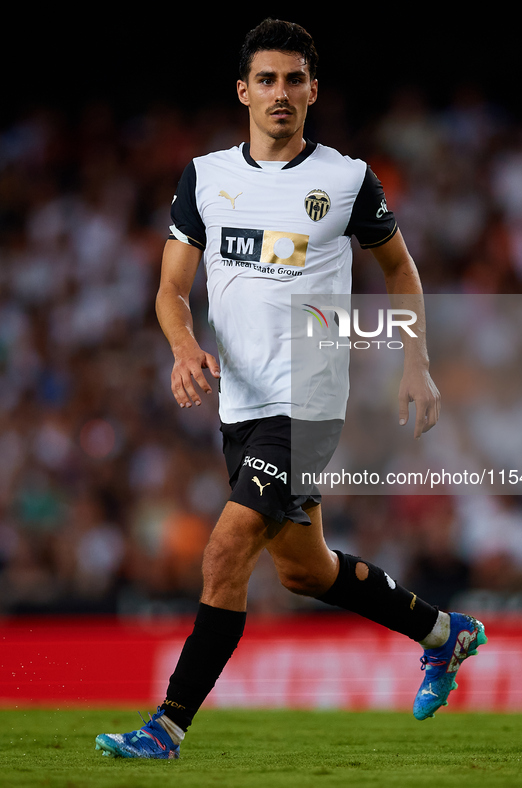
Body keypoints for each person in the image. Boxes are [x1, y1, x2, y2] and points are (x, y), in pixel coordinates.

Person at [95, 18, 486, 760]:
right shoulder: (205, 177)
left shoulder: (345, 179)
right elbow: (172, 288)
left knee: (226, 547)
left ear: (313, 91)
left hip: (307, 405)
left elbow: (399, 269)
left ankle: (167, 726)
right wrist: (182, 345)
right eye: (266, 79)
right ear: (242, 91)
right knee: (306, 571)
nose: (280, 92)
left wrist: (415, 361)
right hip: (239, 405)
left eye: (294, 79)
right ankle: (444, 632)